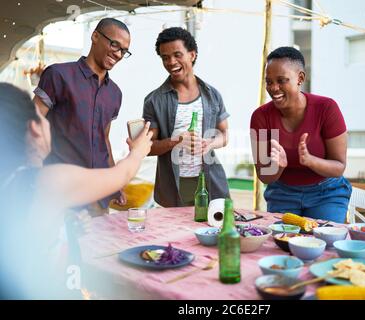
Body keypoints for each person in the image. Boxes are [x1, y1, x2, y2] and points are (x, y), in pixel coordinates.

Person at [0, 83, 152, 299]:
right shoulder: (44, 183)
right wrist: (139, 150)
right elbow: (122, 175)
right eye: (44, 118)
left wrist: (64, 225)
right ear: (34, 129)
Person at [32, 18, 132, 216]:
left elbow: (104, 140)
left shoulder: (115, 93)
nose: (118, 54)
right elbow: (32, 126)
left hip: (99, 195)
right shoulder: (58, 75)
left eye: (124, 50)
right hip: (62, 194)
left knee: (103, 247)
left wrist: (114, 182)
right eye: (114, 44)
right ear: (95, 36)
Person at [250, 47, 352, 223]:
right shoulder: (261, 117)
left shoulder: (326, 109)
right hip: (282, 194)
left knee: (325, 242)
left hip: (326, 193)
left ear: (300, 78)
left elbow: (339, 167)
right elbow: (263, 175)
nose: (273, 88)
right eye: (269, 81)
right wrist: (278, 166)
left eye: (281, 80)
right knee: (282, 243)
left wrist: (310, 160)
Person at [143, 27, 230, 207]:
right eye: (165, 57)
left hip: (211, 182)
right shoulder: (154, 100)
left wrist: (209, 143)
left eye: (177, 55)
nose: (171, 62)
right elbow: (148, 147)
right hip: (173, 186)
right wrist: (176, 141)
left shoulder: (212, 95)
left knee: (214, 233)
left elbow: (224, 135)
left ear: (192, 54)